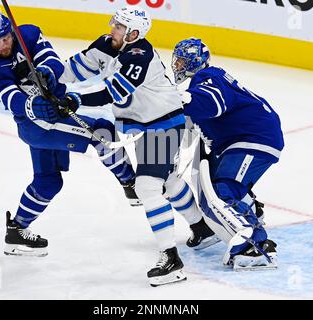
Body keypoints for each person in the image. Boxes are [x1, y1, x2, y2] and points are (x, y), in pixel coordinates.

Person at [59, 6, 219, 286]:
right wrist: (42, 78)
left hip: (163, 124)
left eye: (119, 27)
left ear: (133, 34)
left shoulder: (139, 56)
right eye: (114, 24)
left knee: (146, 185)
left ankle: (171, 259)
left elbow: (113, 93)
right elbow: (73, 69)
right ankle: (202, 228)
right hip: (144, 126)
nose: (113, 29)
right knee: (167, 181)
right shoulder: (107, 45)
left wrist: (76, 100)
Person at [0, 10, 138, 257]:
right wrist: (33, 106)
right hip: (37, 124)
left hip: (51, 116)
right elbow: (11, 98)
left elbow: (52, 59)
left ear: (11, 31)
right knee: (101, 131)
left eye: (6, 38)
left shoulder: (28, 34)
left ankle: (16, 230)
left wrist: (48, 73)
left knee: (49, 181)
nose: (4, 44)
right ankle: (130, 183)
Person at [171, 38, 284, 270]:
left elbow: (213, 105)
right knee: (214, 186)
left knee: (223, 191)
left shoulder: (207, 78)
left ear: (194, 62)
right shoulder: (203, 82)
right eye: (177, 61)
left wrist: (180, 98)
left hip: (253, 139)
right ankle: (250, 211)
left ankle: (255, 246)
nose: (177, 66)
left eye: (182, 61)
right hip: (239, 140)